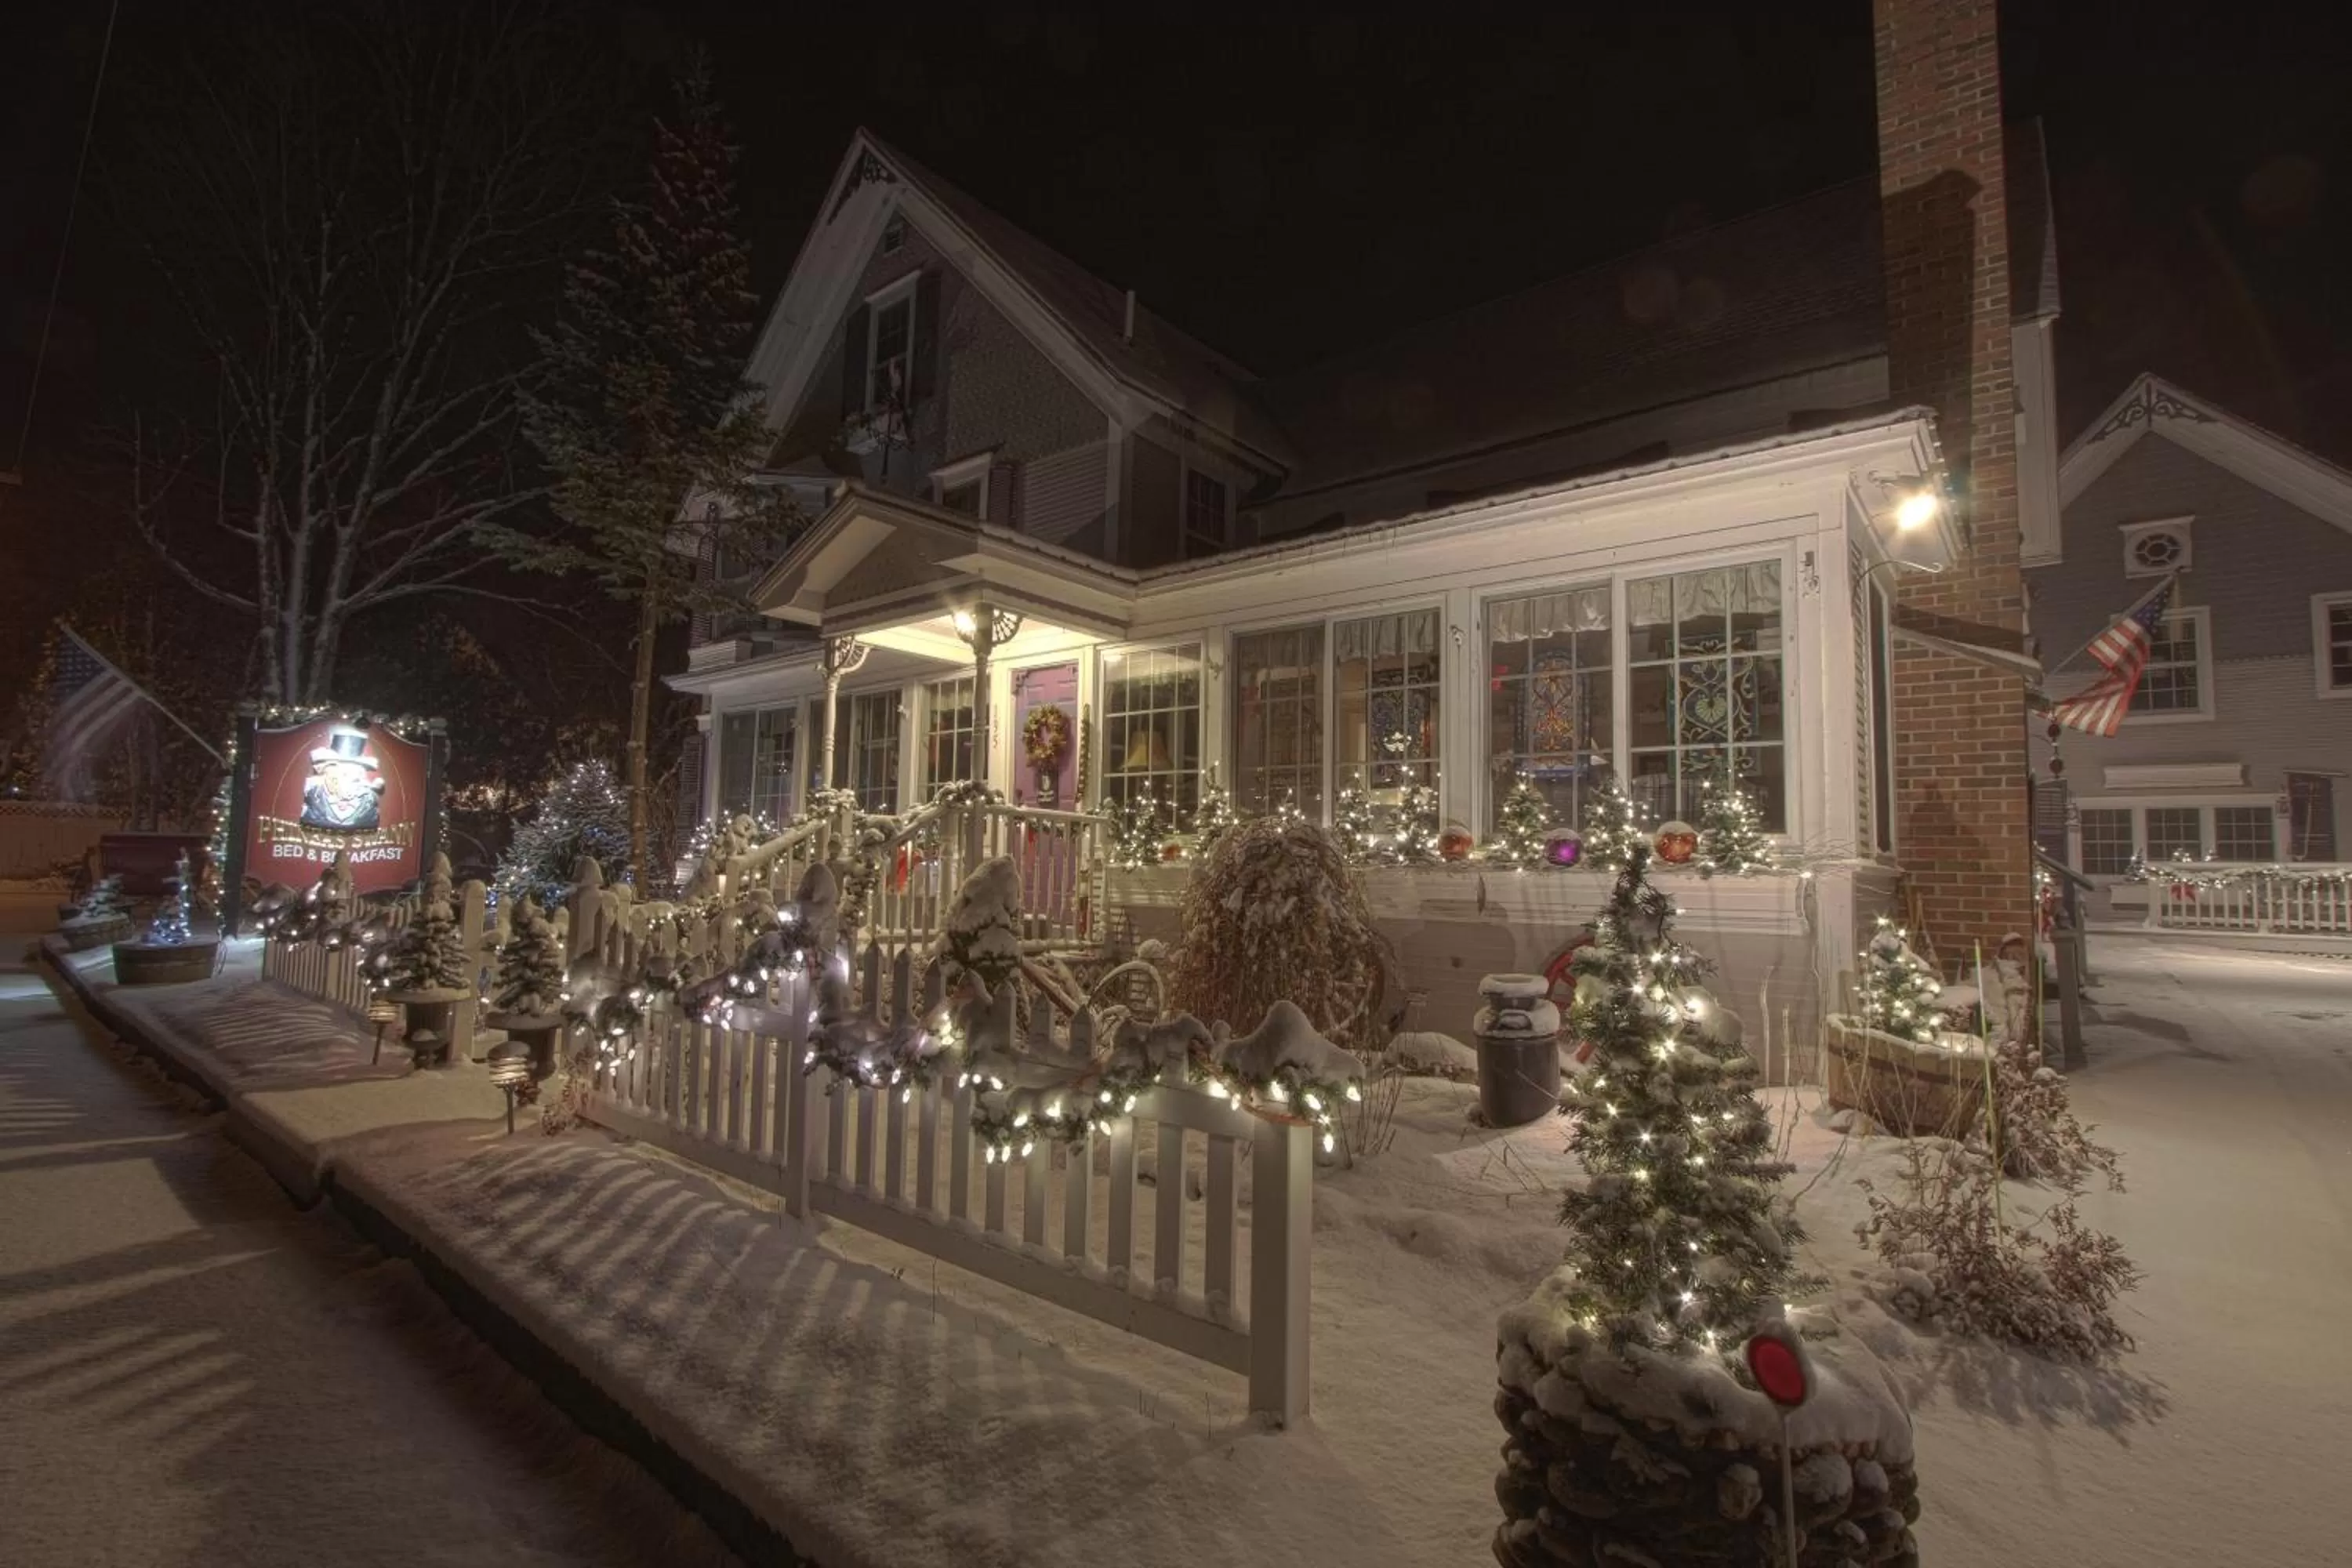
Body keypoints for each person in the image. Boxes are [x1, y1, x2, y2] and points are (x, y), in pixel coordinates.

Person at [299, 725, 386, 830]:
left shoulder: (368, 799)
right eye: (343, 772)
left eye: (354, 773)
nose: (349, 777)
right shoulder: (315, 793)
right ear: (328, 771)